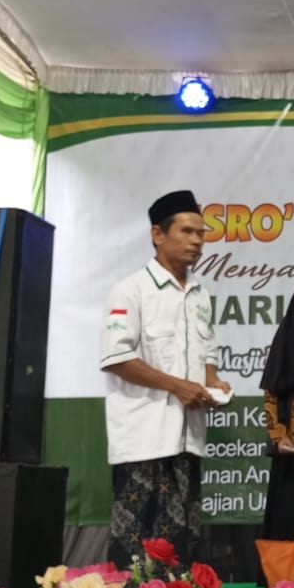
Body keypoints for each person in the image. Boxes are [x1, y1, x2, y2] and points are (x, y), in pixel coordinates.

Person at [100, 190, 229, 567]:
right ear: (158, 234)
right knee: (135, 547)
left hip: (187, 438)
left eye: (201, 233)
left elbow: (206, 355)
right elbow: (116, 358)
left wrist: (213, 382)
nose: (196, 241)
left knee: (183, 541)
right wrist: (178, 386)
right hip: (144, 439)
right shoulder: (130, 290)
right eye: (186, 231)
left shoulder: (200, 295)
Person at [259, 274, 294, 542]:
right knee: (290, 516)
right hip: (293, 449)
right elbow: (272, 391)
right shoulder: (289, 336)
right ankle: (287, 568)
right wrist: (279, 436)